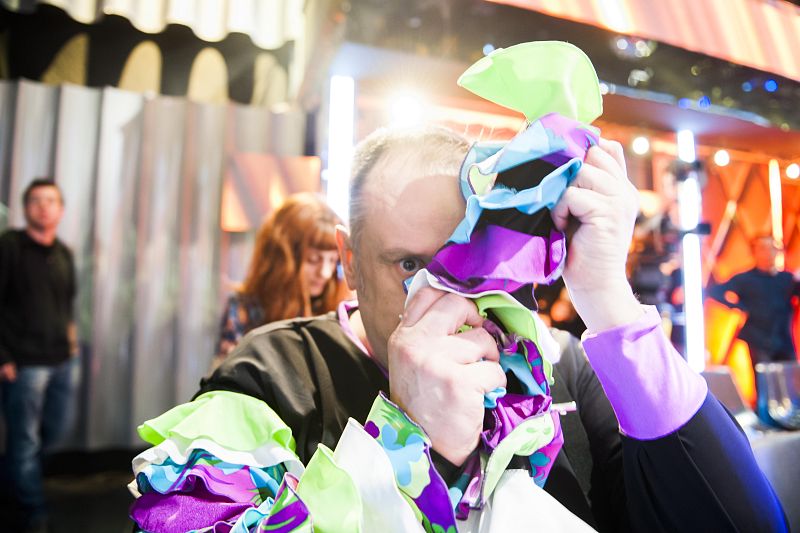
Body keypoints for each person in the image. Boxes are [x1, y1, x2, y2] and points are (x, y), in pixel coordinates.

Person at [128, 126, 786, 532]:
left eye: (475, 268)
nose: (449, 300)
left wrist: (609, 302)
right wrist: (409, 447)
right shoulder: (274, 376)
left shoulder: (558, 366)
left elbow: (741, 521)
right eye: (410, 265)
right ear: (350, 260)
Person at [0, 179, 80, 533]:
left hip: (62, 361)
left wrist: (73, 345)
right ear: (25, 207)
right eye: (36, 200)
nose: (44, 207)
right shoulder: (9, 247)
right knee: (25, 440)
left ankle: (12, 485)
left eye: (51, 201)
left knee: (56, 431)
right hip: (23, 364)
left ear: (60, 210)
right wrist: (3, 356)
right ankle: (32, 512)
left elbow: (67, 305)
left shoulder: (64, 253)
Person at [213, 192, 350, 364]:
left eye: (333, 261)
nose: (325, 273)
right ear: (282, 260)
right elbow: (228, 374)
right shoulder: (244, 311)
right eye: (313, 259)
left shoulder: (339, 311)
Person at [708, 235, 799, 369]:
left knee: (790, 376)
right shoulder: (744, 279)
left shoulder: (787, 278)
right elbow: (715, 291)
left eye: (772, 248)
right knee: (763, 376)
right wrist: (738, 306)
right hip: (758, 338)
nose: (768, 253)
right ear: (754, 252)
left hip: (783, 338)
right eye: (763, 249)